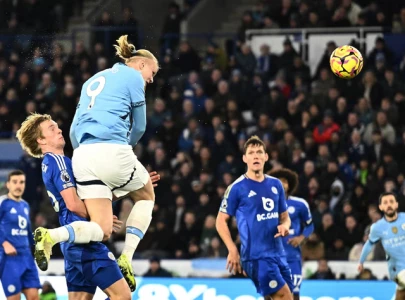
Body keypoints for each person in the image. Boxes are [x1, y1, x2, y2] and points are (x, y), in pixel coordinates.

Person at [32, 35, 158, 291]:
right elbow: (141, 126)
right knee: (146, 196)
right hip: (113, 149)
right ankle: (128, 257)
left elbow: (74, 132)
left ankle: (52, 235)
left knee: (102, 229)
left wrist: (93, 160)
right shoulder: (134, 78)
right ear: (141, 65)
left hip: (83, 155)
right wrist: (125, 151)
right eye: (152, 72)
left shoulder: (92, 80)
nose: (151, 79)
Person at [216, 135, 294, 300]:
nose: (256, 156)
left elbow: (285, 217)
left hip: (278, 253)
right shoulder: (236, 188)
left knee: (280, 296)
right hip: (256, 256)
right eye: (251, 153)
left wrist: (285, 226)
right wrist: (232, 249)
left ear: (266, 157)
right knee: (284, 296)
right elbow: (220, 221)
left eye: (259, 152)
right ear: (245, 158)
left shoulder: (276, 185)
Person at [268, 168, 314, 300]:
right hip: (272, 256)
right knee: (271, 294)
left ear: (290, 185)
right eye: (278, 181)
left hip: (292, 256)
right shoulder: (265, 205)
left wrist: (301, 237)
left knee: (294, 293)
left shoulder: (300, 204)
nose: (282, 184)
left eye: (285, 181)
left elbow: (310, 225)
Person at [0, 170, 40, 300]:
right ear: (8, 185)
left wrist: (37, 248)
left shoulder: (25, 205)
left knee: (34, 297)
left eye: (22, 182)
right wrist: (4, 243)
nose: (18, 186)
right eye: (15, 182)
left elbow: (27, 232)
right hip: (9, 259)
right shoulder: (2, 203)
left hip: (27, 258)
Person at [358, 192, 405, 300]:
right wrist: (361, 261)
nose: (389, 205)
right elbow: (369, 244)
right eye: (385, 202)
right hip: (396, 269)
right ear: (381, 207)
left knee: (401, 293)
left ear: (396, 205)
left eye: (391, 202)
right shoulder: (377, 227)